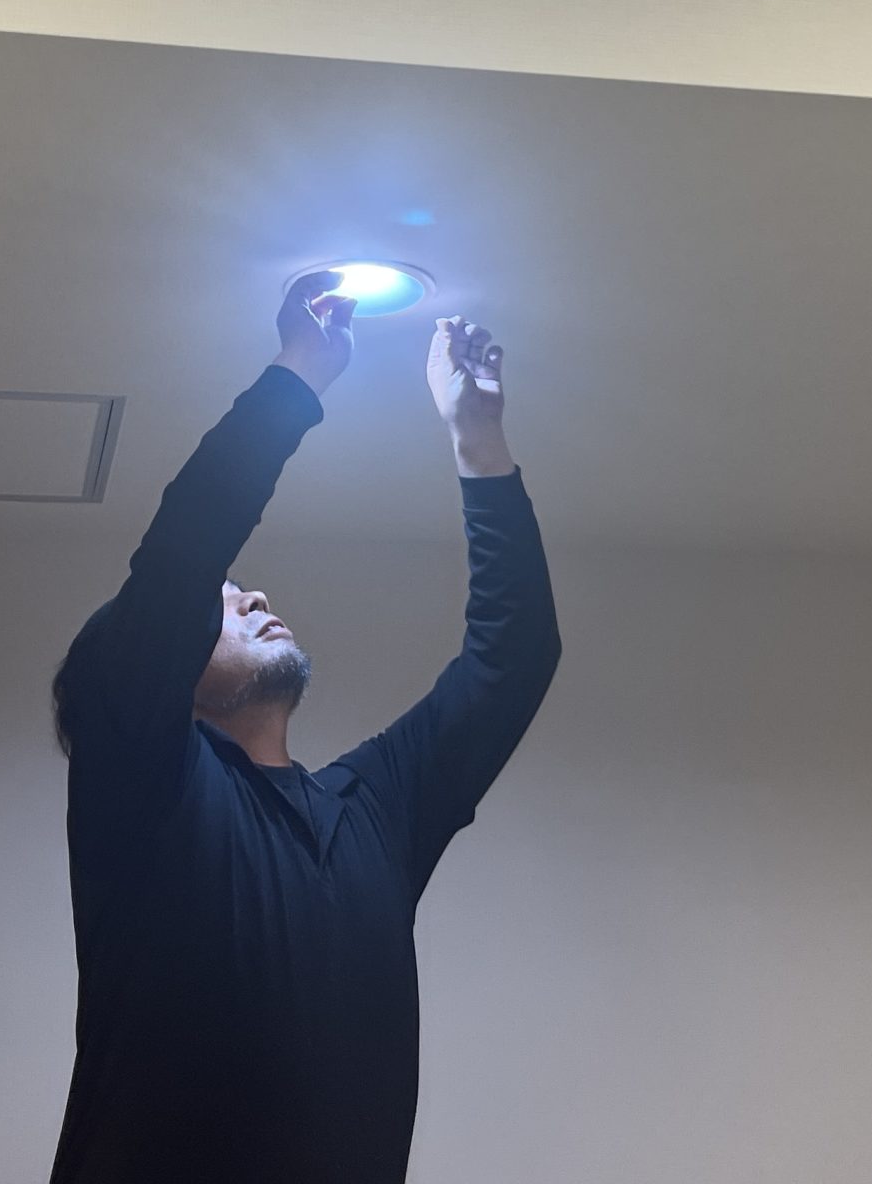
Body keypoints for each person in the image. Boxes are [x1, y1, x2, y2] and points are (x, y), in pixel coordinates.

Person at [46, 274, 562, 1184]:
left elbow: (512, 660)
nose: (251, 595)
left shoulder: (374, 812)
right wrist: (299, 372)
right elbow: (178, 560)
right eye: (220, 601)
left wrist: (478, 441)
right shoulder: (144, 790)